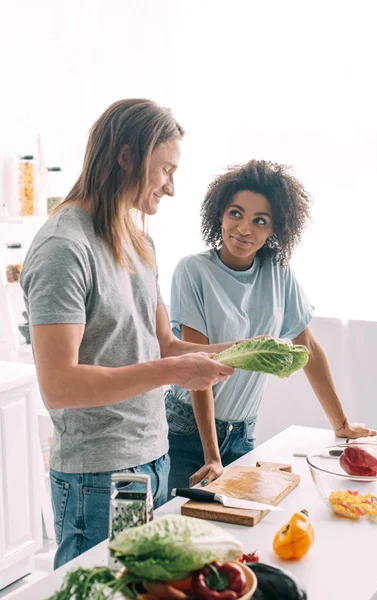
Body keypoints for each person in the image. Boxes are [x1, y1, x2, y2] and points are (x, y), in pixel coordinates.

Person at [20, 99, 237, 569]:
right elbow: (59, 385)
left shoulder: (141, 241)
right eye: (165, 170)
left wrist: (251, 351)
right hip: (98, 475)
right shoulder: (64, 247)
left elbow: (167, 346)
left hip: (153, 459)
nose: (172, 188)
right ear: (124, 156)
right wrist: (173, 371)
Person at [166, 159, 377, 494]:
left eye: (259, 220)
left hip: (243, 430)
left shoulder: (278, 270)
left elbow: (307, 347)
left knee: (240, 532)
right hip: (188, 430)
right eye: (235, 213)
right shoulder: (193, 271)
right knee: (183, 529)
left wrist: (342, 425)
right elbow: (200, 369)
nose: (244, 228)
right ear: (220, 213)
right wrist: (212, 455)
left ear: (275, 228)